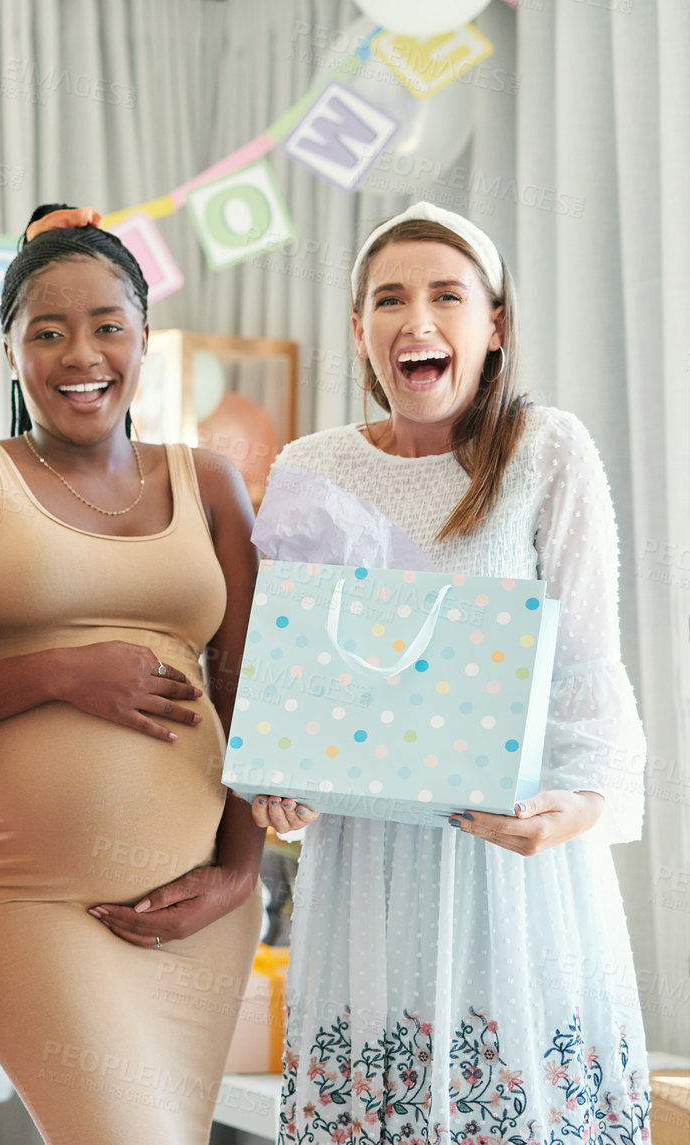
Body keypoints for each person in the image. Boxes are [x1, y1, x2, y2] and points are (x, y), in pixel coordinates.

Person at [252, 201, 652, 1142]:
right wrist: (282, 788)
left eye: (447, 296)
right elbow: (294, 681)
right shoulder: (312, 466)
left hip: (515, 873)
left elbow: (592, 667)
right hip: (367, 878)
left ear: (495, 322)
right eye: (389, 299)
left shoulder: (546, 450)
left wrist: (579, 808)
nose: (416, 320)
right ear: (359, 330)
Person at [0, 204, 265, 1143]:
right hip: (38, 904)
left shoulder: (208, 482)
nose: (81, 353)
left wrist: (240, 871)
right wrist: (57, 672)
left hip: (200, 907)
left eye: (107, 325)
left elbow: (252, 688)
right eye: (47, 331)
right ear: (9, 352)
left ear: (144, 340)